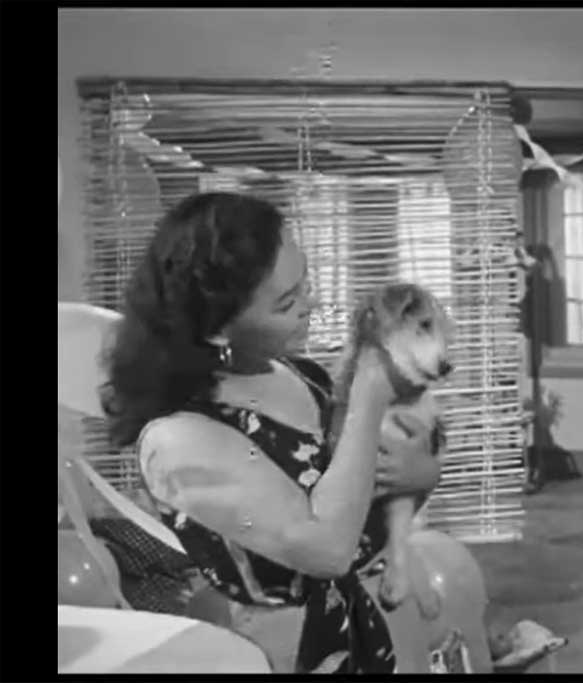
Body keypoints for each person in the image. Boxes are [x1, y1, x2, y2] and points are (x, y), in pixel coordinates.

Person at [102, 192, 442, 673]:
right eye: (286, 303)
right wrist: (369, 393)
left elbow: (369, 486)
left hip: (381, 612)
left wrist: (422, 474)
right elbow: (329, 550)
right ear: (218, 329)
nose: (311, 304)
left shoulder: (300, 374)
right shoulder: (178, 440)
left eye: (306, 283)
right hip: (288, 648)